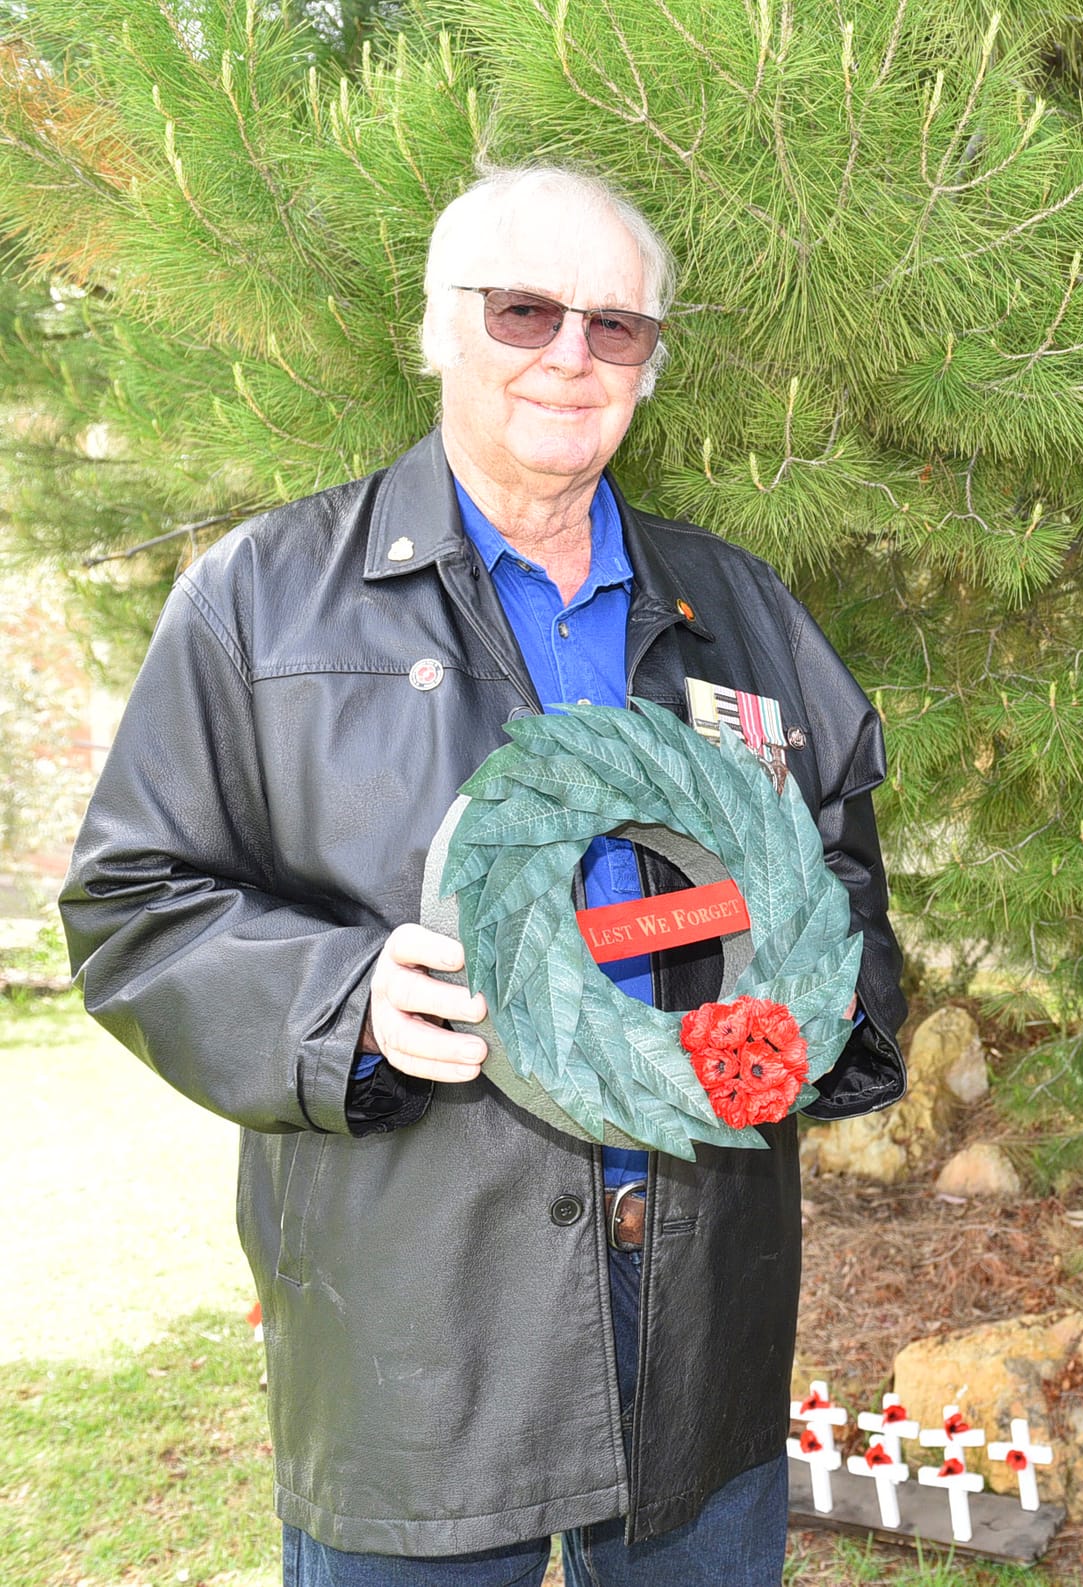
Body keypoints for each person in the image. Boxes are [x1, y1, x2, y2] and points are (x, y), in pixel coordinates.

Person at [61, 164, 906, 1585]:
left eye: (614, 326)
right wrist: (343, 1004)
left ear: (651, 362)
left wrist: (822, 1015)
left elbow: (843, 883)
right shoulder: (262, 600)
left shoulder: (744, 610)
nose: (569, 356)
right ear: (439, 329)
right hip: (421, 1327)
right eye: (523, 310)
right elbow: (132, 904)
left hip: (701, 1315)